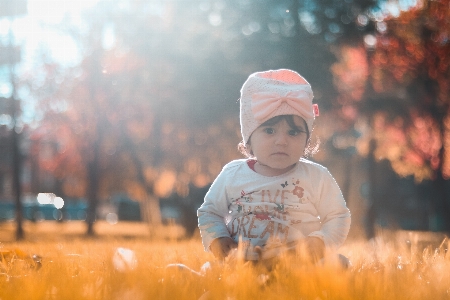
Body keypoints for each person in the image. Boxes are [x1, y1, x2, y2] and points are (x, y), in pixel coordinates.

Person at [197, 69, 351, 266]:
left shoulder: (317, 176)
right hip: (243, 262)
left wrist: (319, 242)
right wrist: (219, 239)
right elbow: (210, 212)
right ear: (249, 139)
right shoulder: (233, 174)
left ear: (306, 140)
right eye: (269, 130)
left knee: (338, 263)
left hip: (299, 263)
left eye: (293, 132)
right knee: (209, 269)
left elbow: (338, 216)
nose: (281, 141)